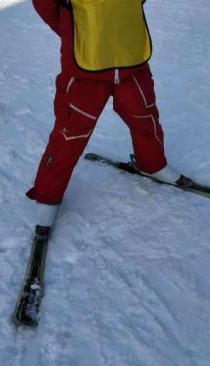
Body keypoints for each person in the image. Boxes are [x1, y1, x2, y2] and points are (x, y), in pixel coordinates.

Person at [28, 0, 185, 228]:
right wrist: (72, 28)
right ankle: (47, 196)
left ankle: (153, 164)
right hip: (84, 66)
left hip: (130, 57)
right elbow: (46, 5)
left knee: (145, 116)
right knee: (71, 131)